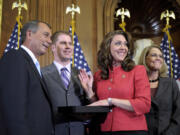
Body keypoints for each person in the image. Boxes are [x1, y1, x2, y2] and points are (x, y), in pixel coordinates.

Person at [79, 30, 151, 135]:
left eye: (125, 44)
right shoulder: (99, 75)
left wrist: (111, 101)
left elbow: (144, 105)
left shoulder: (138, 70)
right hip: (103, 130)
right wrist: (89, 91)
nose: (123, 47)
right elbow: (99, 106)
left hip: (132, 131)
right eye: (118, 43)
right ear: (107, 47)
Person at [0, 20, 54, 135]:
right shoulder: (15, 58)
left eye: (51, 37)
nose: (50, 41)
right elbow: (14, 111)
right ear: (29, 34)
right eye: (46, 35)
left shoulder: (33, 65)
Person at [41, 31, 91, 135]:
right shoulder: (42, 74)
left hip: (79, 131)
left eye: (70, 43)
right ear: (53, 47)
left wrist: (89, 90)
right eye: (63, 43)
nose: (68, 46)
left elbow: (91, 108)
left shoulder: (82, 74)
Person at [138, 45, 180, 135]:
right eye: (154, 55)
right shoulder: (137, 84)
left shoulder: (171, 84)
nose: (158, 58)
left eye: (161, 56)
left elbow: (178, 114)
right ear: (145, 59)